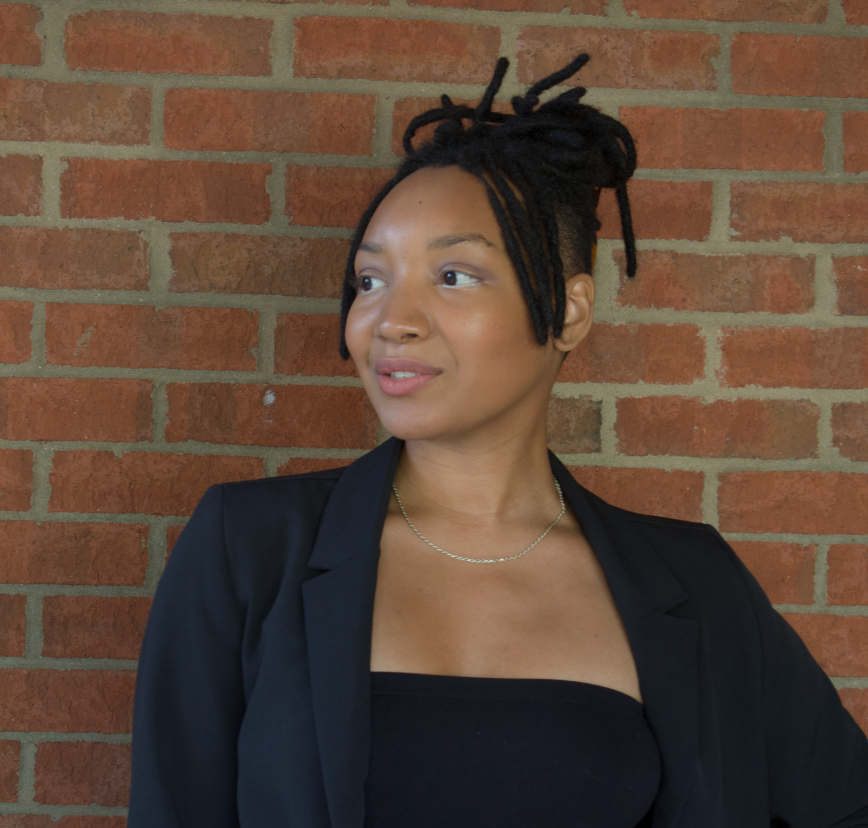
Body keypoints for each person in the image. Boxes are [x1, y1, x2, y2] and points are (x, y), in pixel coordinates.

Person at [128, 55, 868, 828]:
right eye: (371, 280)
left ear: (570, 312)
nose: (391, 320)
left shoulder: (692, 582)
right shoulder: (249, 549)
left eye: (453, 276)